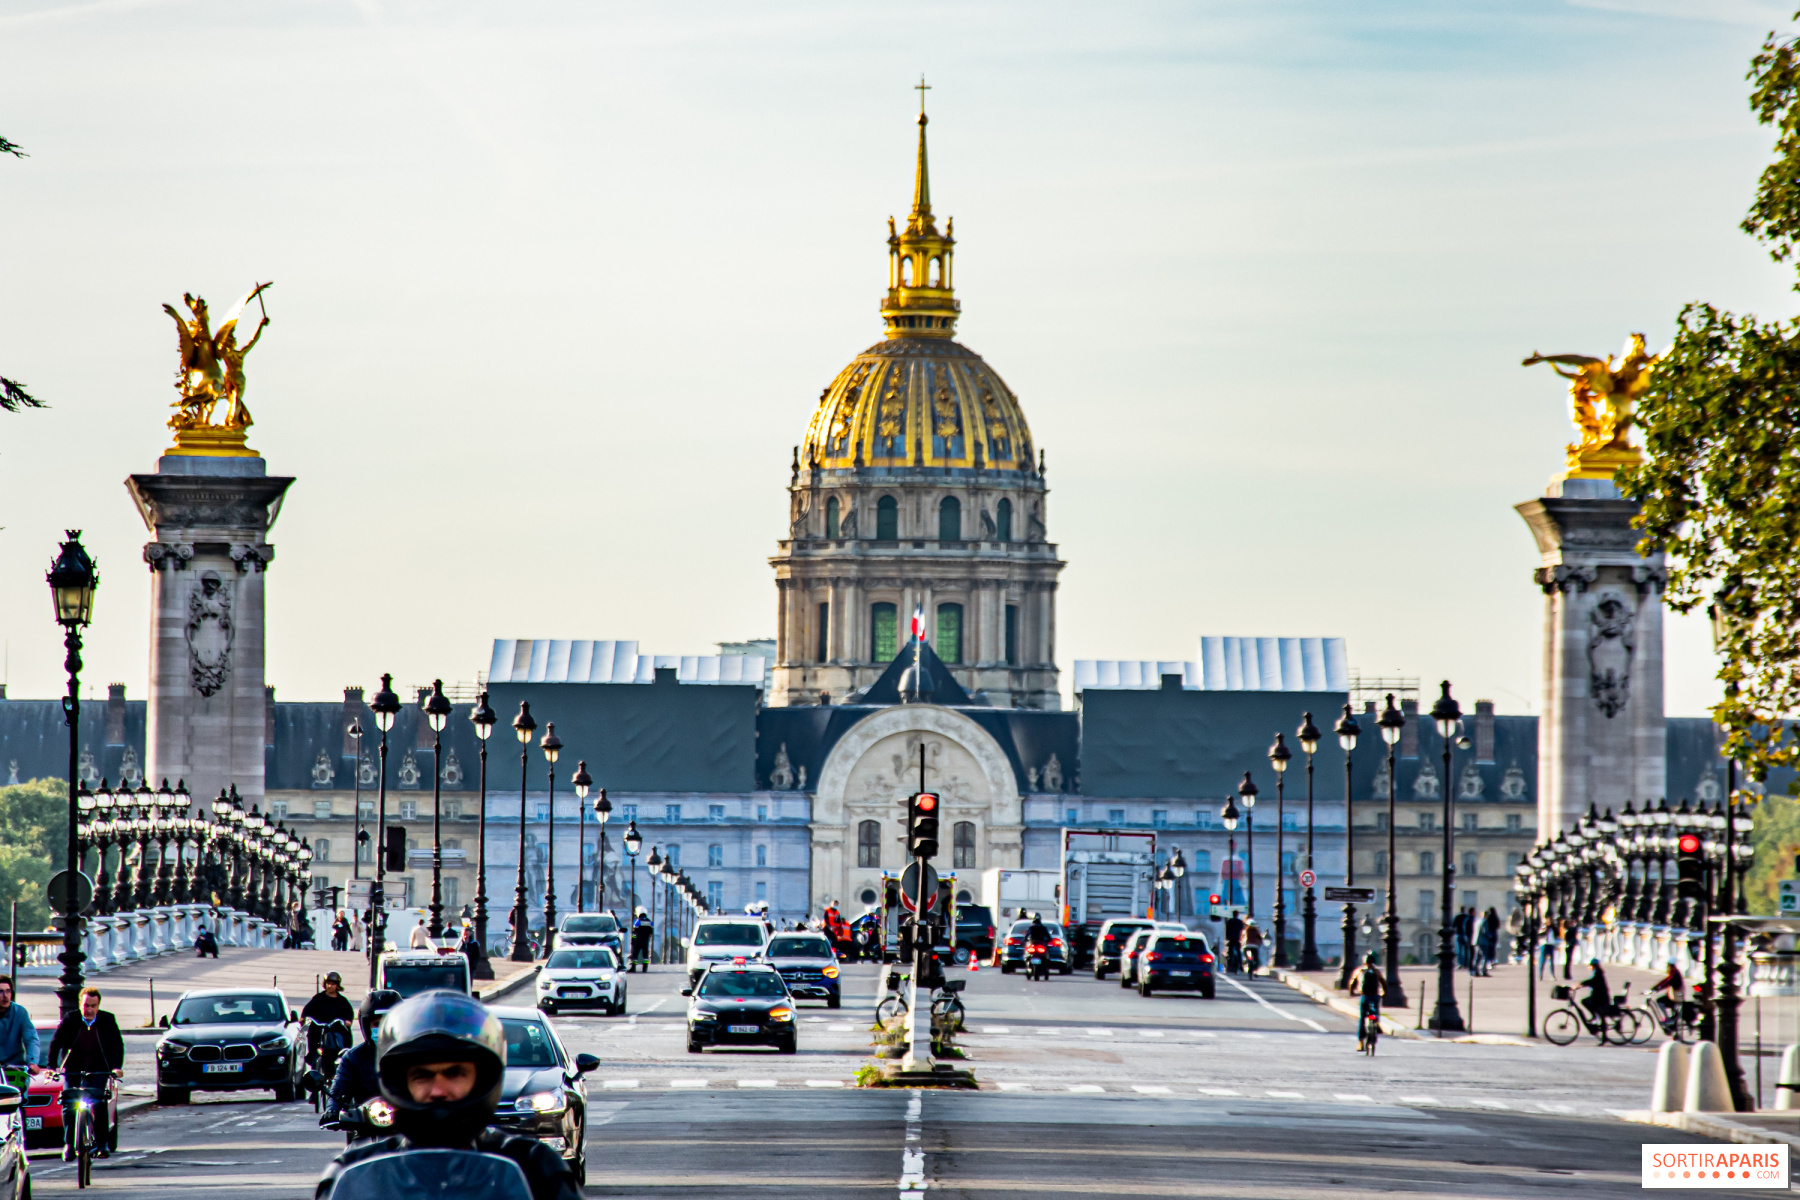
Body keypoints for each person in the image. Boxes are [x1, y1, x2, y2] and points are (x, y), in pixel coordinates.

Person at [314, 990, 580, 1200]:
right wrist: (335, 1108)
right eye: (423, 1076)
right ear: (399, 1084)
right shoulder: (352, 1172)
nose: (438, 1090)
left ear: (482, 1080)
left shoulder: (535, 1167)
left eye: (454, 1074)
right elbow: (339, 1087)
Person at [48, 986, 123, 1159]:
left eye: (93, 1006)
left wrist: (116, 1067)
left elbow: (117, 1045)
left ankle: (102, 1144)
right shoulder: (70, 1019)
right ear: (80, 1004)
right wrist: (52, 1067)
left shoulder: (108, 1020)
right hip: (73, 1069)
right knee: (69, 1103)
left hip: (99, 1069)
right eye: (86, 1005)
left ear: (98, 1006)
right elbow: (55, 1043)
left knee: (98, 1101)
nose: (89, 1010)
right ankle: (68, 1144)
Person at [325, 989, 402, 1129]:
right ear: (366, 1026)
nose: (384, 1029)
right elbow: (339, 1089)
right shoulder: (353, 1058)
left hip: (408, 1127)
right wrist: (332, 1110)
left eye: (388, 1023)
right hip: (365, 1127)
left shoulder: (413, 1054)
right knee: (351, 1151)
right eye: (377, 1024)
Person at [0, 977, 41, 1080]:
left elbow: (31, 1039)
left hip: (15, 1069)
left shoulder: (20, 1012)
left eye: (8, 991)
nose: (5, 996)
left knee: (20, 1093)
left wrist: (32, 1062)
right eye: (0, 992)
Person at [1348, 951, 1387, 1047]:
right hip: (1375, 996)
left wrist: (1352, 993)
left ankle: (1360, 1042)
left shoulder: (1360, 971)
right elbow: (1383, 983)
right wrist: (1383, 993)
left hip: (1365, 996)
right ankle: (1376, 1021)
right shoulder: (1376, 971)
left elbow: (1352, 983)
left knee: (1362, 1018)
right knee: (1374, 1011)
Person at [1579, 958, 1612, 1028]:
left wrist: (1582, 983)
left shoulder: (1598, 973)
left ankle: (1594, 1015)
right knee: (1599, 1013)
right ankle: (1596, 1017)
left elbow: (1593, 981)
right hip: (1599, 997)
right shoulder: (1598, 972)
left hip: (1601, 998)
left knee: (1585, 1001)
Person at [1476, 908, 1500, 977]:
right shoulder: (1485, 922)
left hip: (1478, 941)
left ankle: (1475, 970)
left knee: (1478, 957)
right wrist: (1490, 936)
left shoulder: (1479, 921)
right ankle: (1484, 970)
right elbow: (1485, 932)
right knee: (1484, 956)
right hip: (1484, 941)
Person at [630, 908, 652, 972]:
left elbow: (634, 932)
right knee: (645, 955)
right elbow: (651, 932)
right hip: (646, 941)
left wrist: (633, 940)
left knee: (635, 954)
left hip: (638, 940)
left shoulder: (637, 921)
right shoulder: (649, 922)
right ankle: (645, 969)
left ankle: (633, 968)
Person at [1223, 911, 1244, 975]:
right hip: (1237, 939)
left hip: (1231, 939)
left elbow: (1227, 930)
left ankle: (1229, 965)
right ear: (1237, 914)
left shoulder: (1229, 921)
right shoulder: (1239, 921)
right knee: (1238, 952)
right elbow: (1242, 930)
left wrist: (1227, 937)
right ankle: (1240, 965)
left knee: (1230, 952)